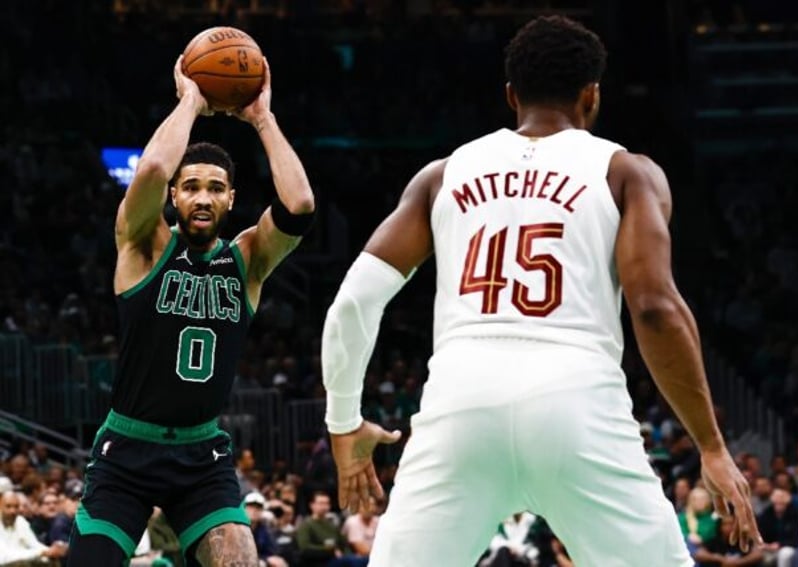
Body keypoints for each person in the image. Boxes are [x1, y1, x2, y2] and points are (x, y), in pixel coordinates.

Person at [320, 14, 761, 567]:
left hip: (460, 403)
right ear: (591, 96)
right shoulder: (626, 172)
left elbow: (353, 303)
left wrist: (344, 421)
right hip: (574, 400)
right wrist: (711, 446)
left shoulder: (442, 174)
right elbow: (653, 307)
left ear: (511, 95)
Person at [66, 54, 315, 567]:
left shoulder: (245, 261)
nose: (203, 197)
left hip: (203, 456)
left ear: (230, 200)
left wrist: (261, 118)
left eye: (216, 188)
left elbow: (300, 204)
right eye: (193, 187)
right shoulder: (143, 245)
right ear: (173, 197)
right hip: (127, 451)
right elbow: (154, 166)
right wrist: (191, 101)